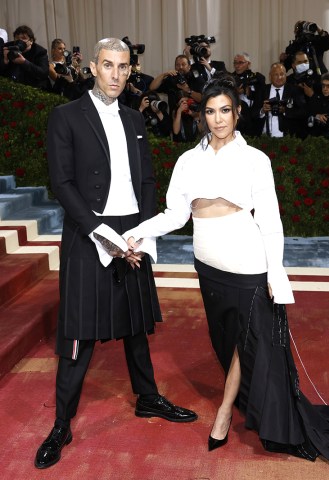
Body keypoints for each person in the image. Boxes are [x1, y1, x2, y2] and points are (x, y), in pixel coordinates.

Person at [121, 74, 329, 464]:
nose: (218, 119)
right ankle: (245, 402)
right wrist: (136, 233)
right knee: (226, 341)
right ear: (203, 116)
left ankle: (225, 413)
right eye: (210, 112)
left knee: (251, 340)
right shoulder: (187, 161)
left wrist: (275, 273)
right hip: (208, 263)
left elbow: (271, 221)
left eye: (225, 110)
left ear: (238, 113)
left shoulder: (255, 160)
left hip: (247, 262)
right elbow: (175, 216)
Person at [34, 37, 197, 470]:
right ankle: (62, 423)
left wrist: (142, 232)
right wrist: (103, 234)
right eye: (108, 65)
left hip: (134, 229)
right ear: (93, 67)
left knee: (136, 321)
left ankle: (147, 398)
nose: (117, 74)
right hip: (91, 231)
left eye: (124, 67)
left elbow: (145, 180)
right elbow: (62, 185)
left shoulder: (132, 117)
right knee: (79, 331)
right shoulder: (65, 116)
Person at [257, 63, 307, 138]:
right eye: (276, 75)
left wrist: (285, 111)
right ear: (270, 76)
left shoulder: (295, 90)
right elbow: (253, 112)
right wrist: (262, 111)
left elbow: (303, 112)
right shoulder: (262, 90)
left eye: (282, 74)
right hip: (265, 137)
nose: (279, 77)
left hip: (288, 138)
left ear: (286, 75)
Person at [0, 25, 49, 90]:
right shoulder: (7, 47)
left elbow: (43, 73)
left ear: (31, 41)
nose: (20, 41)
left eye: (23, 38)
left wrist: (24, 62)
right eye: (17, 38)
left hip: (33, 88)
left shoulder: (40, 51)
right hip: (9, 87)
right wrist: (4, 61)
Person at [232, 52, 265, 137]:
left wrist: (248, 92)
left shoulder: (257, 77)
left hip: (253, 117)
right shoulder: (230, 78)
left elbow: (261, 95)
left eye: (240, 62)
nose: (237, 65)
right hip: (235, 118)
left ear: (248, 64)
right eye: (235, 63)